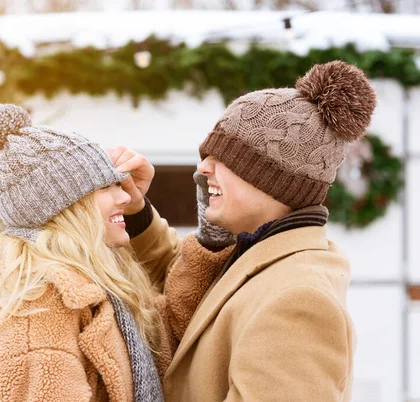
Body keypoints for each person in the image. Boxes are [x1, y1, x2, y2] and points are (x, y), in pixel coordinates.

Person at [112, 60, 377, 401]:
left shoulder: (298, 300)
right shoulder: (259, 257)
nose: (203, 167)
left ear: (273, 181)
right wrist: (136, 212)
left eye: (225, 158)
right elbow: (183, 291)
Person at [0, 104, 174, 402]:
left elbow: (183, 313)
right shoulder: (38, 330)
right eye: (106, 187)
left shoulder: (102, 294)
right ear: (65, 210)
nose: (127, 196)